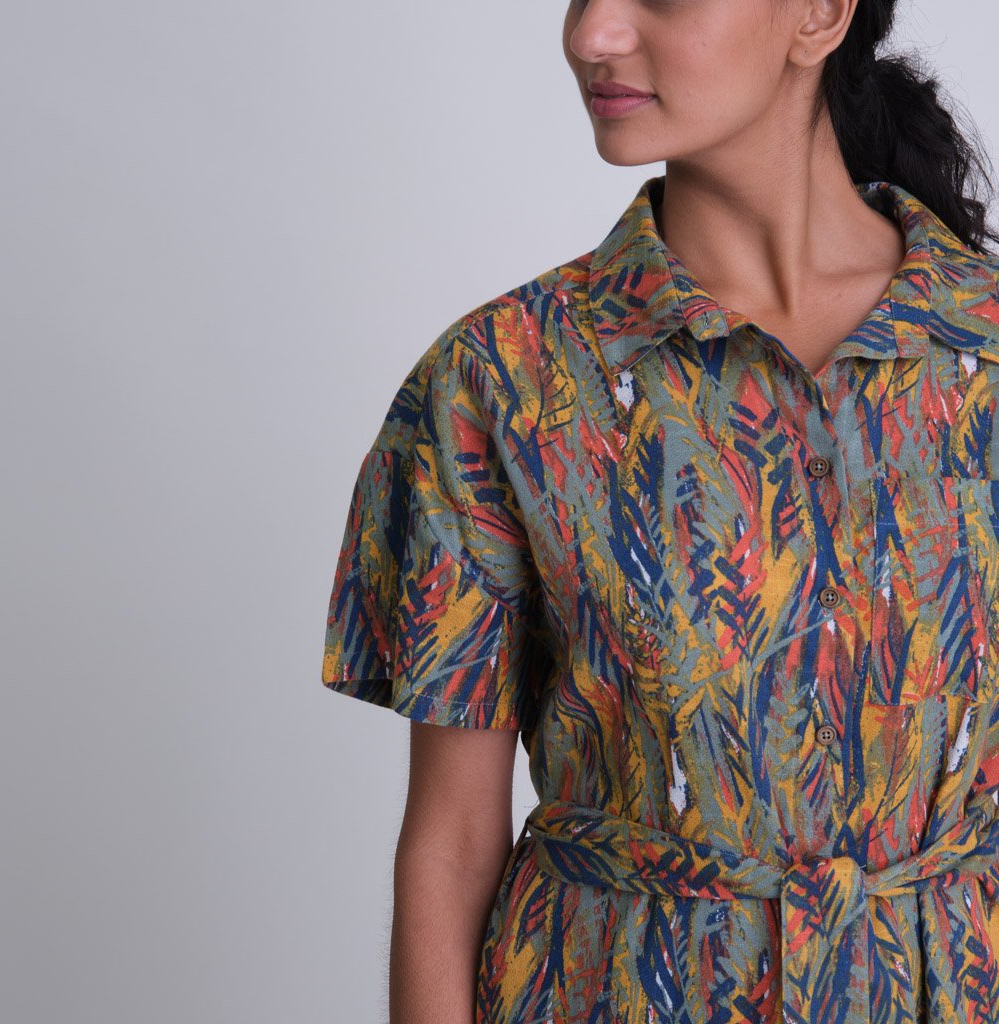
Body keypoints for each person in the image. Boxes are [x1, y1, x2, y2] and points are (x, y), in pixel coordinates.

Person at [321, 0, 999, 1021]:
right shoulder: (506, 382)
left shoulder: (983, 355)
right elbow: (452, 840)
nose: (591, 34)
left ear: (819, 15)